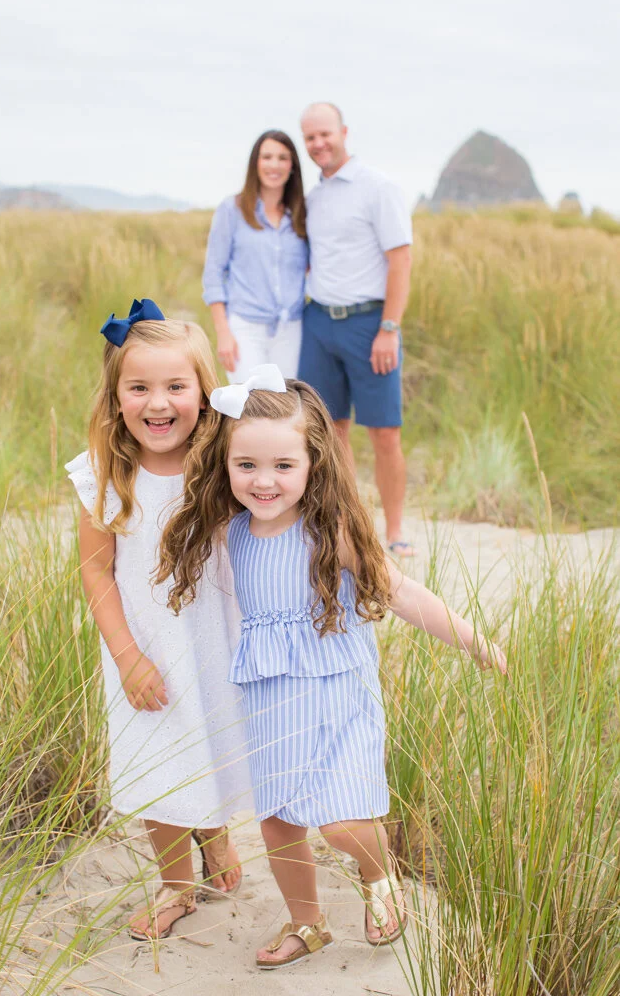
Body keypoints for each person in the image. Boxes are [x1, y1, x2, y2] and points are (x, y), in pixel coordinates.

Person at [157, 365, 507, 969]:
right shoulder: (232, 531)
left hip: (337, 695)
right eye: (246, 465)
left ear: (314, 462)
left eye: (283, 465)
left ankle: (379, 879)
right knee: (278, 824)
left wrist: (472, 640)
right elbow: (170, 475)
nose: (264, 480)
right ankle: (307, 922)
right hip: (271, 702)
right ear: (225, 464)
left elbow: (400, 591)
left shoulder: (331, 531)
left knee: (341, 823)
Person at [66, 299, 252, 941]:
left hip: (213, 638)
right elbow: (97, 573)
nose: (158, 403)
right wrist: (127, 657)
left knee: (212, 744)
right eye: (139, 387)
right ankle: (176, 885)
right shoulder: (104, 474)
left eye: (177, 386)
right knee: (156, 758)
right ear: (115, 397)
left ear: (205, 392)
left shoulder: (225, 466)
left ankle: (214, 830)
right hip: (143, 645)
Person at [299, 102, 415, 556]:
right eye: (310, 137)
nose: (318, 144)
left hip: (370, 324)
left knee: (384, 431)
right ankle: (349, 525)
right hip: (318, 322)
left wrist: (389, 328)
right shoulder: (313, 198)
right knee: (330, 430)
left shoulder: (378, 187)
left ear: (344, 132)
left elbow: (400, 259)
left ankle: (395, 532)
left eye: (325, 134)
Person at [203, 130, 308, 382]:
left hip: (291, 329)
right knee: (251, 401)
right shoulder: (232, 210)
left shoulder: (301, 213)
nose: (274, 165)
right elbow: (213, 273)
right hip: (245, 328)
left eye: (283, 158)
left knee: (284, 402)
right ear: (255, 163)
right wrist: (223, 333)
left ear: (292, 165)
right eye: (267, 157)